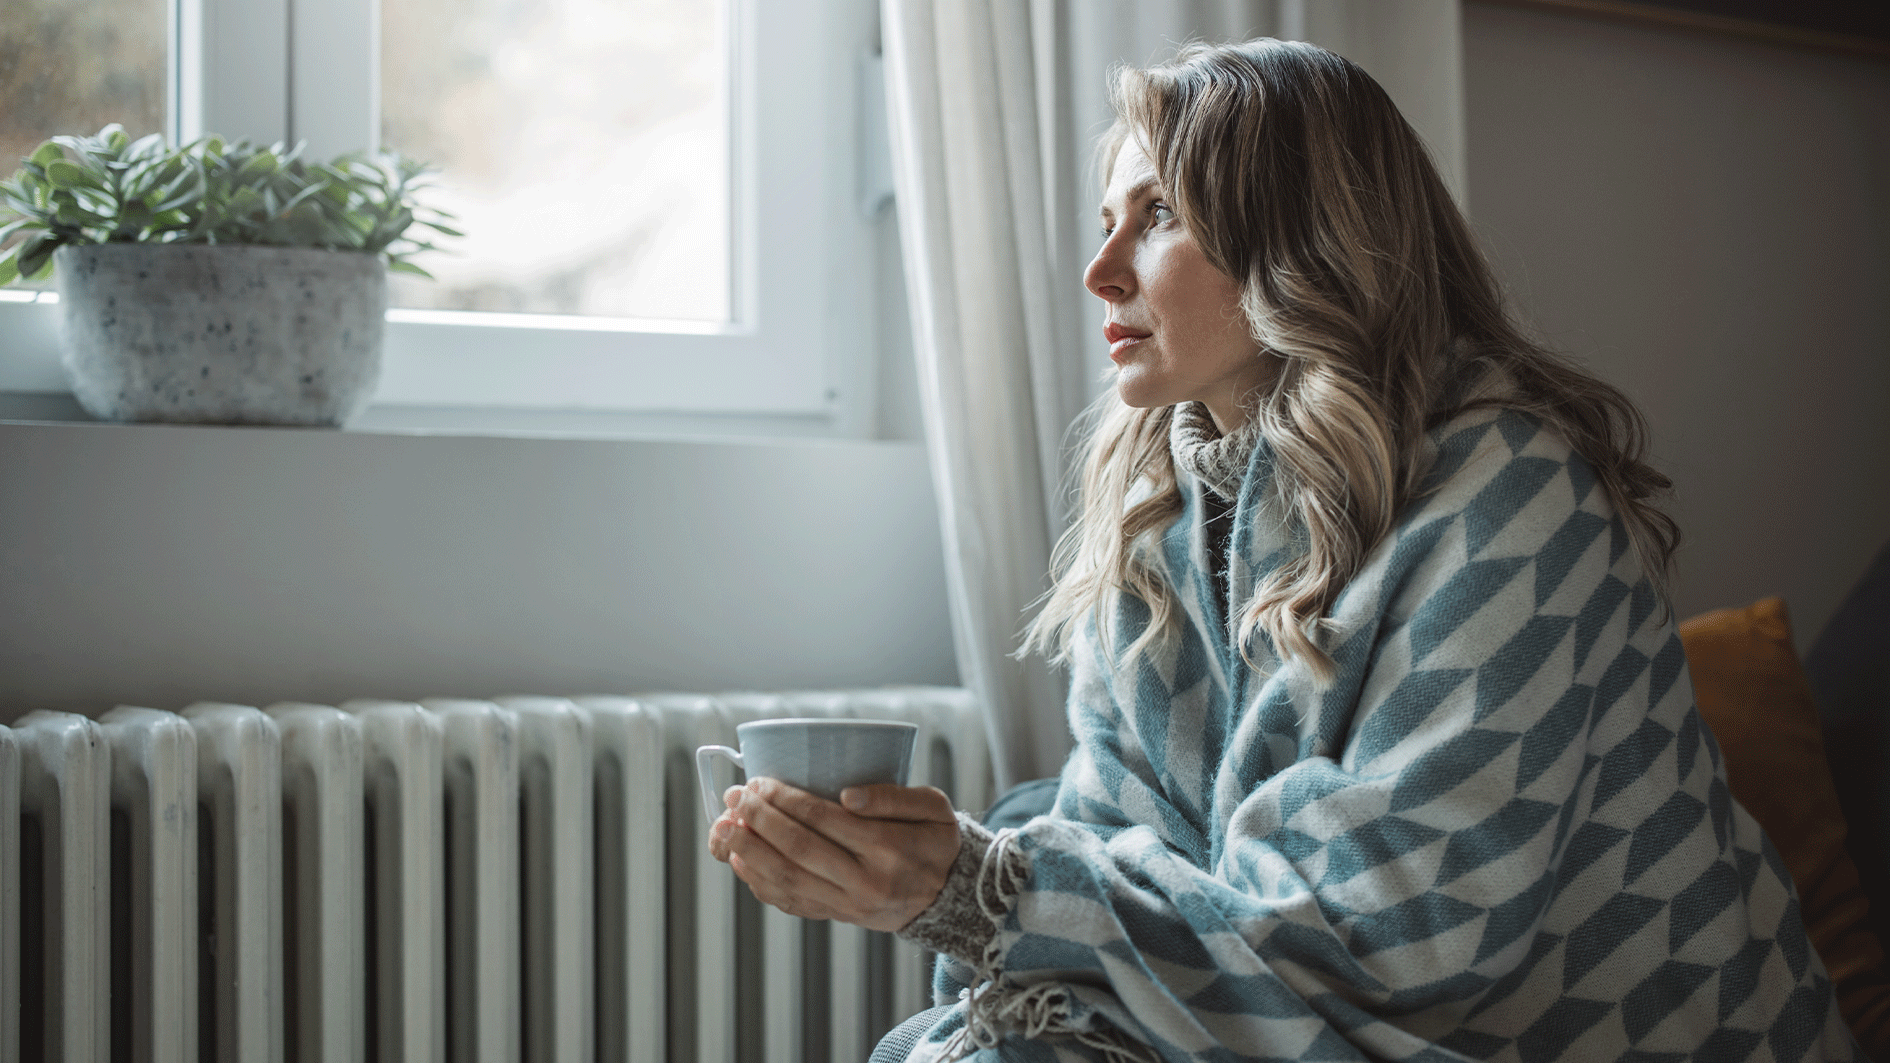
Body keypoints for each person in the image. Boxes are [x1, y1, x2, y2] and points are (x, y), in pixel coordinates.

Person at [708, 38, 1858, 1063]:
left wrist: (988, 887)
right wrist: (965, 895)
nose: (1102, 270)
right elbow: (1127, 838)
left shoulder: (1512, 496)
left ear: (1303, 240)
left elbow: (1394, 933)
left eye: (1159, 216)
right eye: (1106, 220)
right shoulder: (1156, 510)